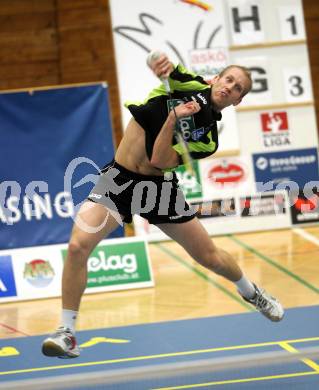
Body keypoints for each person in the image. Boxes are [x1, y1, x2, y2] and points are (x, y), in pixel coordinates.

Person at [42, 53, 284, 359]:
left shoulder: (207, 138)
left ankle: (252, 292)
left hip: (157, 189)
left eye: (238, 89)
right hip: (118, 179)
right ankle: (67, 332)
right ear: (216, 79)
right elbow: (164, 65)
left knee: (209, 256)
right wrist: (157, 62)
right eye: (229, 79)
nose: (230, 87)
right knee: (78, 247)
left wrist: (173, 119)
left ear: (238, 101)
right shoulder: (186, 84)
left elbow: (159, 161)